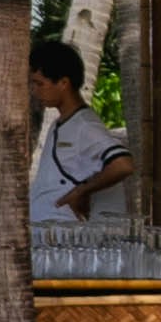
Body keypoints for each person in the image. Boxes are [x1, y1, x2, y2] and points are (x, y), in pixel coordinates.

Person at [27, 38, 132, 234]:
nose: (35, 90)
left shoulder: (85, 126)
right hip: (49, 239)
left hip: (69, 242)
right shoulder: (60, 124)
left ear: (63, 83)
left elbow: (122, 164)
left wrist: (81, 191)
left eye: (40, 84)